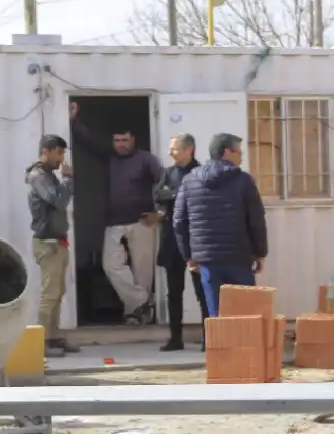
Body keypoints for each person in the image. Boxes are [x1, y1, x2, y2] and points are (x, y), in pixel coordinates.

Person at [68, 101, 163, 325]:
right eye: (117, 141)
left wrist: (159, 212)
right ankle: (143, 301)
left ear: (133, 140)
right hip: (114, 221)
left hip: (142, 221)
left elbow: (163, 185)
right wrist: (74, 120)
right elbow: (89, 142)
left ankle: (136, 313)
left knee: (143, 272)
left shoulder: (147, 160)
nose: (120, 145)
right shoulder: (110, 157)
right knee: (110, 265)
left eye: (125, 140)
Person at [172, 132, 268, 318]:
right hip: (239, 256)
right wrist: (261, 252)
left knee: (217, 315)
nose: (241, 157)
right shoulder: (244, 181)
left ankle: (220, 347)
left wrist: (189, 256)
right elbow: (256, 219)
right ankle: (244, 347)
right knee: (246, 314)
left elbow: (179, 221)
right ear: (226, 152)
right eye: (239, 152)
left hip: (208, 260)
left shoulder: (190, 180)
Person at [153, 132, 209, 351]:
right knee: (173, 293)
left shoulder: (201, 173)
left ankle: (208, 337)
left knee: (202, 291)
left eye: (175, 148)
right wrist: (180, 194)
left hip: (196, 239)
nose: (170, 152)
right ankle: (175, 338)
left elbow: (200, 198)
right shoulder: (168, 173)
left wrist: (174, 194)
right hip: (171, 239)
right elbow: (157, 195)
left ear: (189, 150)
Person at [26, 134, 79, 357]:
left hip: (57, 241)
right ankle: (41, 343)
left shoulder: (48, 174)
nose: (61, 158)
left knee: (58, 291)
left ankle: (53, 336)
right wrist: (68, 180)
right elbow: (58, 200)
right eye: (59, 153)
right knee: (50, 294)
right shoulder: (38, 176)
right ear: (46, 151)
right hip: (47, 243)